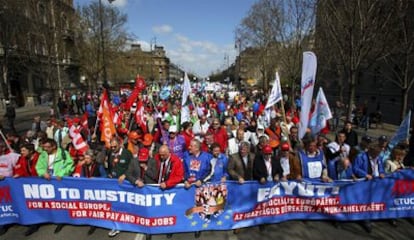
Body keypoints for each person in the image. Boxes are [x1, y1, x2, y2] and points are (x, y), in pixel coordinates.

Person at [35, 138, 74, 234]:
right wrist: (43, 173)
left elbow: (70, 165)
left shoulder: (63, 154)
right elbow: (38, 167)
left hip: (59, 181)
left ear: (54, 146)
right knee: (51, 202)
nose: (45, 149)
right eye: (44, 147)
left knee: (61, 201)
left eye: (48, 147)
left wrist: (62, 173)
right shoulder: (43, 155)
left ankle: (62, 220)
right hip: (47, 181)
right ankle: (53, 217)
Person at [106, 137, 133, 237]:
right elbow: (109, 165)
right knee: (115, 204)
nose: (113, 148)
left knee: (126, 204)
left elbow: (133, 166)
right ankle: (117, 226)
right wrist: (109, 174)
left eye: (115, 146)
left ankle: (129, 222)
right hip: (114, 183)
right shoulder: (110, 153)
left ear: (120, 144)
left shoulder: (127, 153)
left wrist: (125, 175)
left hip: (125, 184)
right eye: (111, 146)